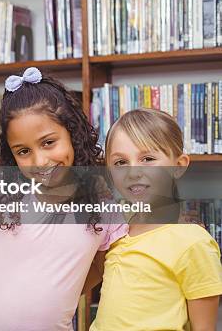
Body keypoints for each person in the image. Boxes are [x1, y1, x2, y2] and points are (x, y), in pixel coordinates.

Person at [0, 67, 128, 330]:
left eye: (48, 143)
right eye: (23, 151)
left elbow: (102, 270)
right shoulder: (1, 192)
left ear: (72, 133)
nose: (39, 161)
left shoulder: (102, 207)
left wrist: (57, 294)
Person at [91, 108, 222, 331]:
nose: (133, 172)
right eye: (121, 163)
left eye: (147, 159)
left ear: (178, 166)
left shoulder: (193, 242)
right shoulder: (117, 230)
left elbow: (204, 327)